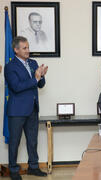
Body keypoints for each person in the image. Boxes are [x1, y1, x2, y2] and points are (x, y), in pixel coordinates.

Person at [4, 36, 48, 180]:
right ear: (16, 50)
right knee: (15, 141)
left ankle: (33, 167)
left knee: (33, 140)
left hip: (32, 108)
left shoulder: (33, 62)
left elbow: (40, 85)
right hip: (17, 110)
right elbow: (16, 87)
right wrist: (35, 78)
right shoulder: (10, 67)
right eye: (25, 48)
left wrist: (41, 76)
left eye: (28, 47)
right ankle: (14, 170)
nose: (28, 50)